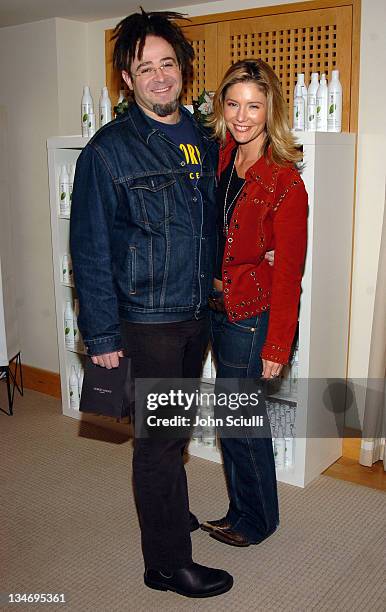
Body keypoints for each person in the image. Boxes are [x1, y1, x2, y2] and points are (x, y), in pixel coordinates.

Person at [70, 10, 233, 598]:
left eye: (168, 64)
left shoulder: (203, 138)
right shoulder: (107, 153)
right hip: (147, 323)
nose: (160, 76)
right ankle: (167, 564)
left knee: (172, 437)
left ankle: (165, 519)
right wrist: (105, 339)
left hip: (196, 317)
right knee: (159, 446)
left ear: (183, 71)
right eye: (146, 67)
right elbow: (88, 252)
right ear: (127, 77)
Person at [201, 59, 308, 547]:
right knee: (231, 420)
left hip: (250, 317)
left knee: (241, 422)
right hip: (216, 307)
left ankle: (258, 520)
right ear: (223, 106)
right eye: (234, 104)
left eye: (254, 106)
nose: (242, 116)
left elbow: (288, 274)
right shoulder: (221, 156)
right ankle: (241, 508)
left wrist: (277, 345)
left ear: (271, 111)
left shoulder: (285, 182)